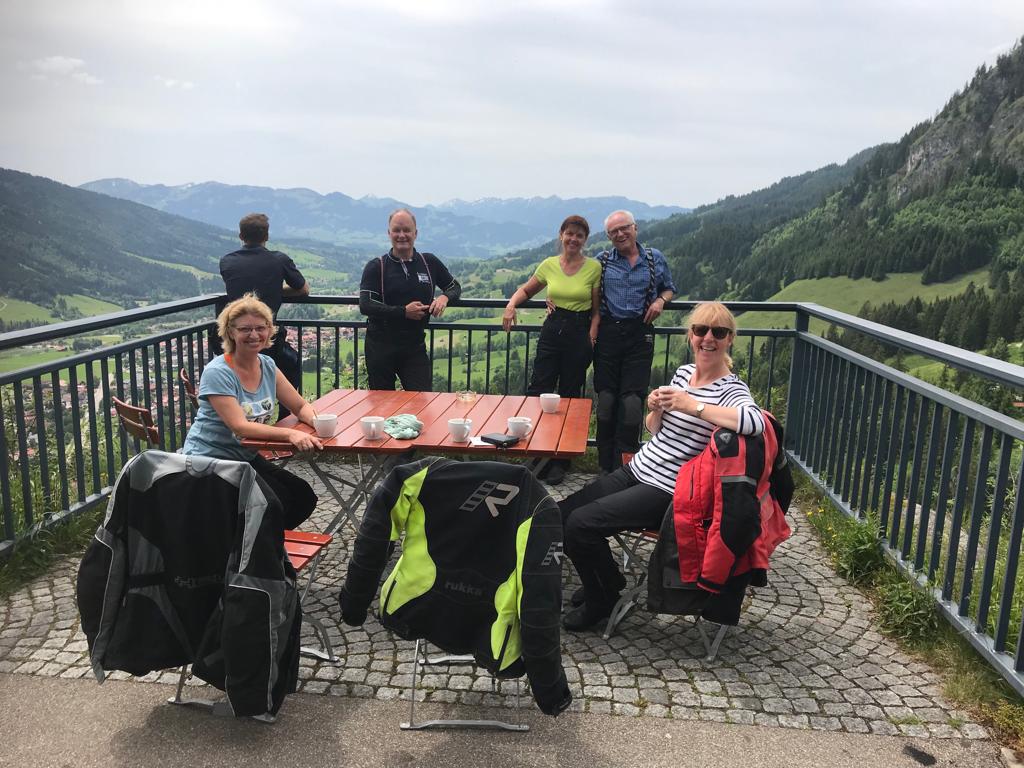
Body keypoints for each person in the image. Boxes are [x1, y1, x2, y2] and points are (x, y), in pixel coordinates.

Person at [559, 302, 765, 631]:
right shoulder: (684, 373)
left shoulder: (731, 389)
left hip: (669, 489)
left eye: (718, 332)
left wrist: (693, 405)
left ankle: (603, 598)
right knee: (561, 515)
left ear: (730, 340)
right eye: (700, 330)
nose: (707, 338)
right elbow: (654, 430)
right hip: (638, 468)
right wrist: (655, 409)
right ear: (691, 335)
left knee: (582, 525)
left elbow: (755, 423)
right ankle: (606, 581)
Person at [183, 294, 320, 531]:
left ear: (270, 330)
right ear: (230, 332)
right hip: (210, 462)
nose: (254, 335)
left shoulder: (266, 365)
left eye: (260, 328)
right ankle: (250, 552)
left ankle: (258, 546)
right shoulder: (219, 372)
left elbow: (299, 406)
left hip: (243, 457)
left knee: (302, 497)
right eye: (245, 329)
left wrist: (317, 422)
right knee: (275, 503)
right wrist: (291, 435)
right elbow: (240, 427)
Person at [502, 215, 600, 484]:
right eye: (569, 233)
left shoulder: (594, 267)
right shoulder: (548, 265)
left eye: (579, 235)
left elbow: (596, 310)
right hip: (552, 330)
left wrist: (590, 338)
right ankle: (535, 453)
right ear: (561, 235)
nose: (573, 239)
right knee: (538, 392)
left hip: (579, 333)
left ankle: (561, 461)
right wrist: (511, 305)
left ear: (584, 240)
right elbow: (527, 289)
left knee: (569, 398)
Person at [593, 209, 675, 475]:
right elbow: (578, 285)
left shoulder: (654, 258)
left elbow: (670, 287)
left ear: (635, 228)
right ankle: (604, 467)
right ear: (608, 236)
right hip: (608, 335)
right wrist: (552, 301)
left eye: (624, 228)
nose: (619, 234)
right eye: (613, 232)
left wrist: (661, 301)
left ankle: (626, 467)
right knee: (606, 403)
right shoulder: (602, 261)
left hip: (640, 335)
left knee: (631, 405)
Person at [358, 208, 461, 391]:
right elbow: (366, 305)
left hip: (414, 347)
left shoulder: (429, 262)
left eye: (407, 230)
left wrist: (444, 297)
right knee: (382, 406)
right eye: (396, 230)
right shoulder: (376, 266)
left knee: (422, 402)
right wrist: (403, 312)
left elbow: (454, 286)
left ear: (416, 233)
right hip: (380, 348)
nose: (402, 235)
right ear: (389, 233)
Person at [218, 213, 309, 416]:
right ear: (266, 236)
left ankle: (243, 416)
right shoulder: (279, 260)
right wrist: (276, 291)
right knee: (290, 364)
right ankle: (288, 417)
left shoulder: (227, 261)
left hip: (236, 339)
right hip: (268, 338)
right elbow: (303, 289)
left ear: (241, 235)